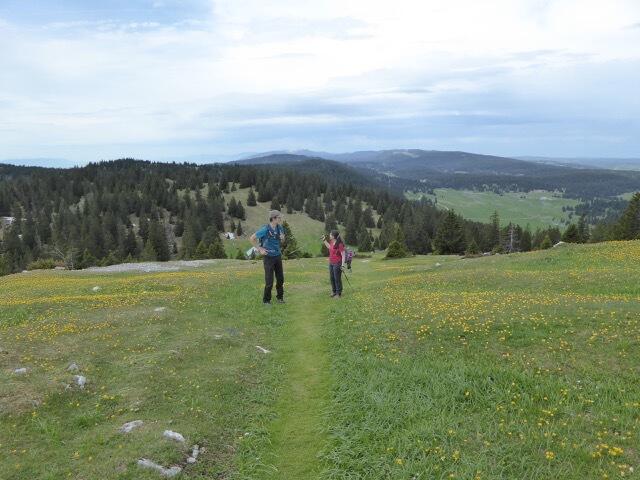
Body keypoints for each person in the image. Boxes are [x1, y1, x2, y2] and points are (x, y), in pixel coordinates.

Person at [251, 210, 286, 305]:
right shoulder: (265, 229)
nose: (280, 219)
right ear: (273, 218)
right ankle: (266, 300)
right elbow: (252, 238)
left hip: (277, 256)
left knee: (280, 279)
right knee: (269, 281)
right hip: (268, 258)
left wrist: (283, 238)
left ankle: (280, 298)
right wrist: (260, 249)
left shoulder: (280, 228)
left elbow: (282, 241)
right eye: (279, 218)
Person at [322, 229, 346, 298]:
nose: (329, 235)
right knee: (332, 278)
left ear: (333, 236)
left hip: (337, 263)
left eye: (330, 234)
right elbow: (329, 247)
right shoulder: (332, 242)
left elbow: (343, 255)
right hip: (331, 263)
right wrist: (324, 240)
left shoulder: (340, 244)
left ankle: (338, 293)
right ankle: (334, 291)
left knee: (337, 278)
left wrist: (342, 265)